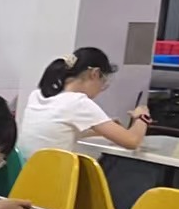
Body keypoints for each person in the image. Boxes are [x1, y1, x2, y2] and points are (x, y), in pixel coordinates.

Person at [18, 46, 149, 156]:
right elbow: (132, 141)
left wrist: (102, 129)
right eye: (103, 82)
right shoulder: (78, 102)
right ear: (95, 74)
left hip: (26, 174)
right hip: (53, 177)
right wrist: (142, 117)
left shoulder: (37, 95)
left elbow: (59, 131)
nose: (101, 89)